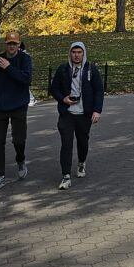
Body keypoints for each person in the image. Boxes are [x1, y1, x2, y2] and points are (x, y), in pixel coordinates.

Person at [0, 31, 34, 189]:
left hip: (19, 105)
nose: (12, 46)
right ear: (6, 44)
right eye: (9, 43)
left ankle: (20, 160)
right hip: (1, 107)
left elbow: (26, 79)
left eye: (15, 43)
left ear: (19, 44)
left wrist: (9, 68)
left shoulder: (25, 59)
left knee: (18, 140)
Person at [49, 41, 104, 190]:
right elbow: (53, 88)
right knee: (66, 143)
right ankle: (65, 176)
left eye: (79, 52)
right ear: (70, 53)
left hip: (84, 114)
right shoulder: (63, 69)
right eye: (74, 52)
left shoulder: (91, 69)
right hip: (67, 113)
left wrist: (97, 110)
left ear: (84, 53)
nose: (76, 55)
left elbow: (99, 90)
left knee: (82, 141)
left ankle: (81, 163)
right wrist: (63, 99)